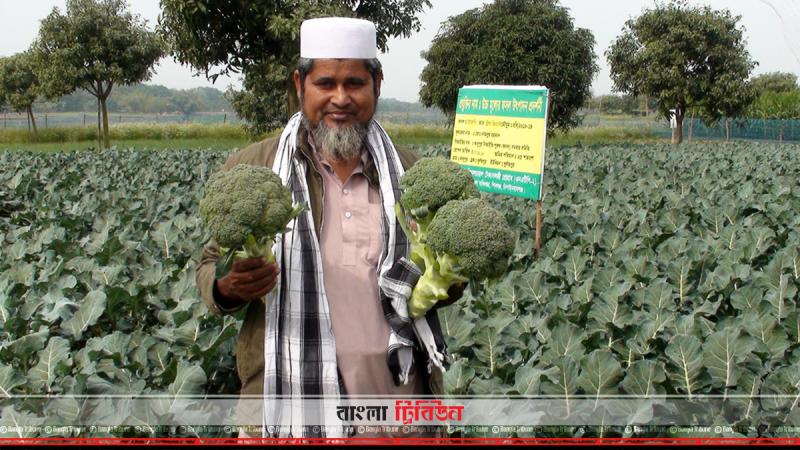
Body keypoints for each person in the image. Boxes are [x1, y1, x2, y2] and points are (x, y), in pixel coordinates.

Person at [196, 17, 460, 439]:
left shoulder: (411, 172)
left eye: (354, 83)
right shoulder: (256, 166)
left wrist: (448, 274)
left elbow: (443, 278)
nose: (341, 98)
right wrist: (228, 286)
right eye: (325, 83)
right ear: (300, 84)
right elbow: (209, 265)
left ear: (377, 83)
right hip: (288, 407)